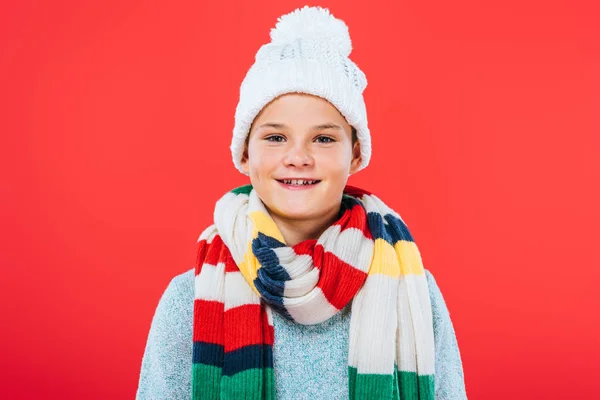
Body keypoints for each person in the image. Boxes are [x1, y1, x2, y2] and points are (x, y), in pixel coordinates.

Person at [136, 5, 467, 400]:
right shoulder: (187, 300)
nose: (298, 157)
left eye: (323, 139)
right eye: (275, 138)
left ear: (356, 155)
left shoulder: (413, 291)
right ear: (243, 154)